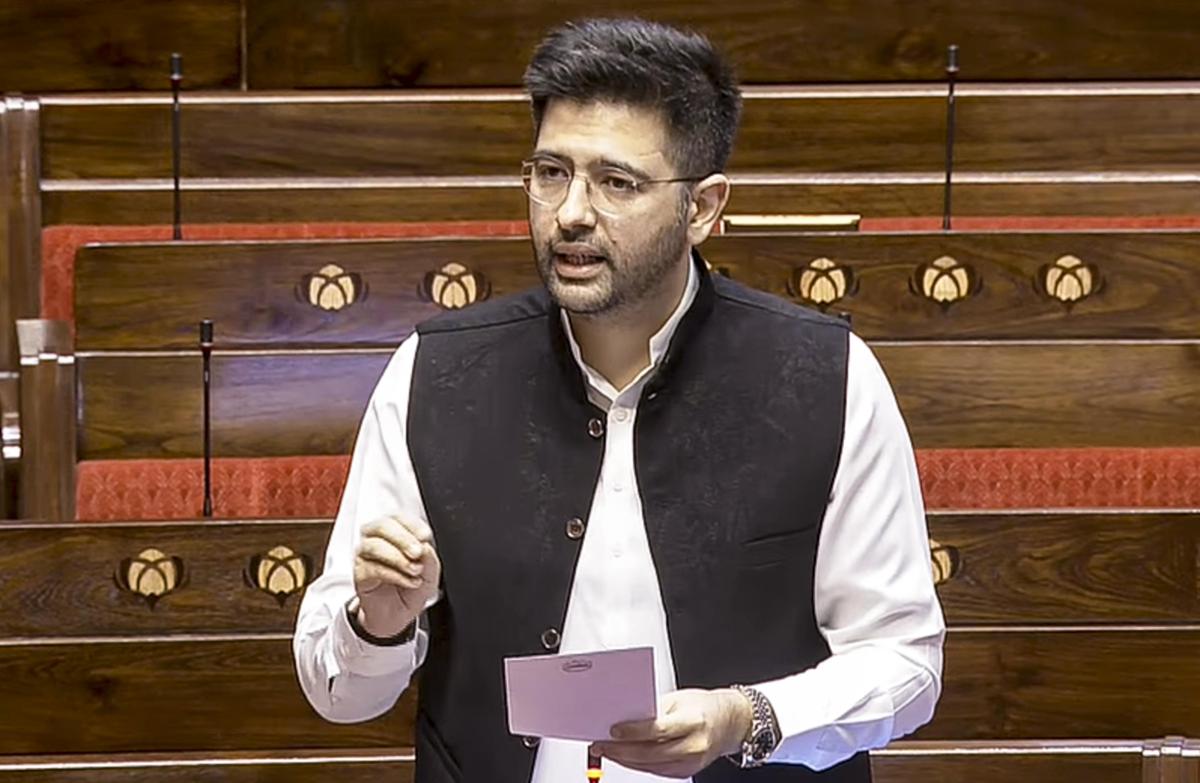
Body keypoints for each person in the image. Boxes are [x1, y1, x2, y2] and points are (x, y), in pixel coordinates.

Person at [293, 17, 944, 783]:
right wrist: (377, 622)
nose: (571, 211)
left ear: (703, 207)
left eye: (616, 182)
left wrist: (748, 717)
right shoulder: (435, 373)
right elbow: (340, 694)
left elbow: (905, 663)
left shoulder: (827, 376)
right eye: (551, 172)